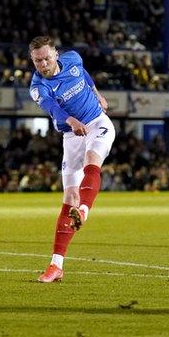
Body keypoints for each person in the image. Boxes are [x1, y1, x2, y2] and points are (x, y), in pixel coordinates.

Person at [28, 36, 115, 282]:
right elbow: (52, 108)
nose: (43, 64)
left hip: (97, 123)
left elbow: (85, 75)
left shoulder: (73, 58)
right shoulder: (38, 87)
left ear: (56, 54)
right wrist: (71, 120)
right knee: (69, 198)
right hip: (71, 134)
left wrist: (97, 94)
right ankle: (56, 266)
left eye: (46, 58)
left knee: (92, 159)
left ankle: (85, 210)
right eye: (37, 61)